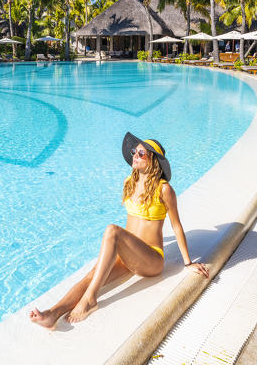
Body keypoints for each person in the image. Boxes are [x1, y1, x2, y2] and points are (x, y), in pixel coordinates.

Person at [29, 132, 209, 329]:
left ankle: (90, 299)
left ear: (153, 161)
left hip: (151, 259)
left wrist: (188, 263)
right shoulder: (128, 183)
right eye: (135, 152)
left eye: (142, 153)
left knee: (112, 231)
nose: (135, 155)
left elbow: (176, 225)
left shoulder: (164, 189)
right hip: (127, 257)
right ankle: (52, 314)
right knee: (92, 274)